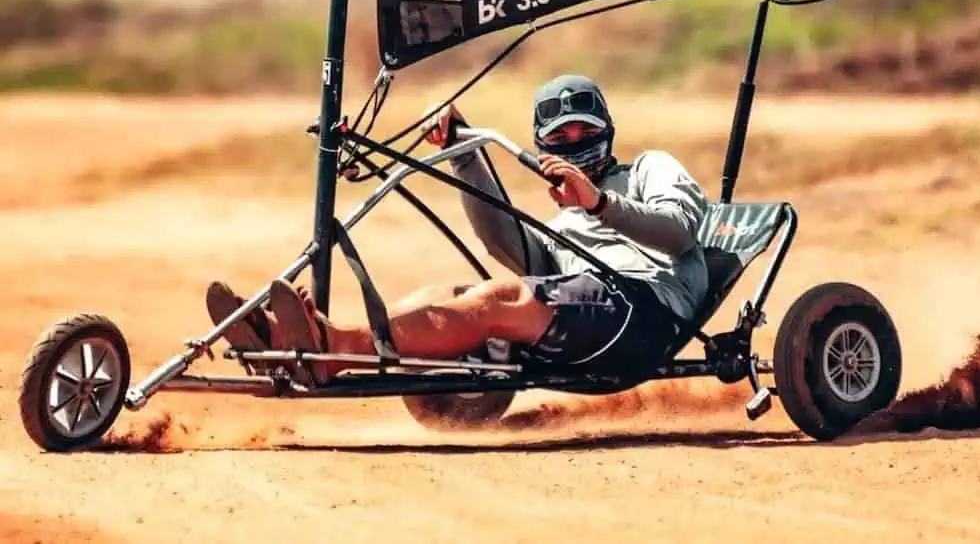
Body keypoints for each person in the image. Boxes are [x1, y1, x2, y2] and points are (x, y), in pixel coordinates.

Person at [205, 74, 710, 384]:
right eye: (561, 135)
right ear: (543, 145)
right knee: (453, 293)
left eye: (586, 130)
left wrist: (600, 203)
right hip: (584, 315)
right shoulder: (563, 221)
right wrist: (466, 157)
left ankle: (330, 351)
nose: (575, 141)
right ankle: (298, 342)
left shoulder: (648, 170)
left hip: (646, 313)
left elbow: (681, 233)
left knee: (498, 300)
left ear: (608, 131)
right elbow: (503, 245)